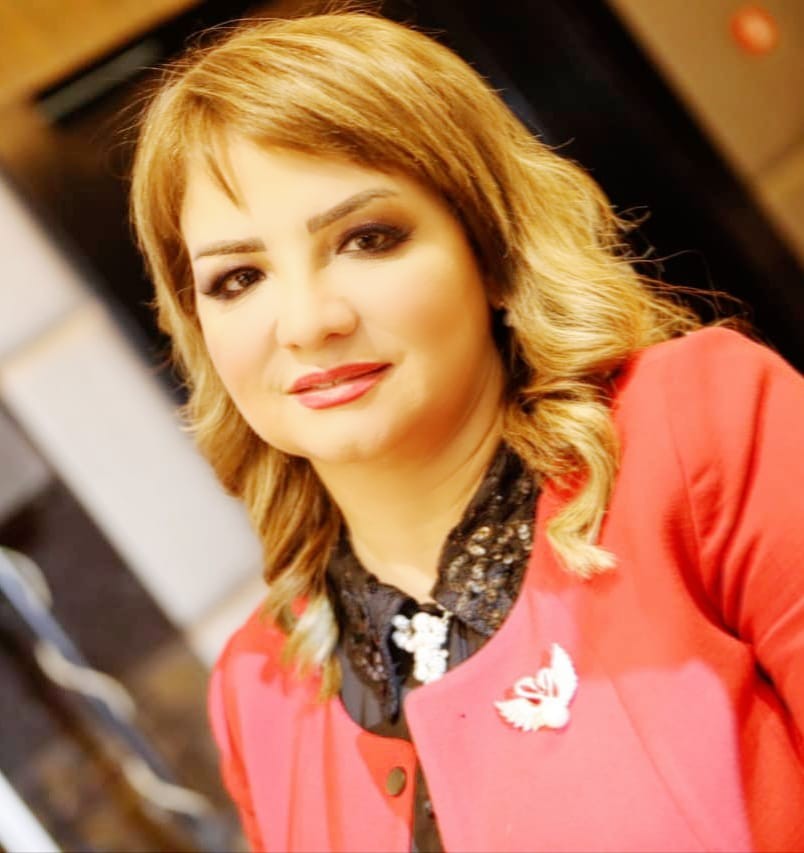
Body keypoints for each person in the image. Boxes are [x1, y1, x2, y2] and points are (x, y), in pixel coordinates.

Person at [129, 10, 804, 852]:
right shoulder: (255, 687)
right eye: (238, 278)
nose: (306, 321)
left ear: (491, 249)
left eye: (367, 239)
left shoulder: (698, 426)